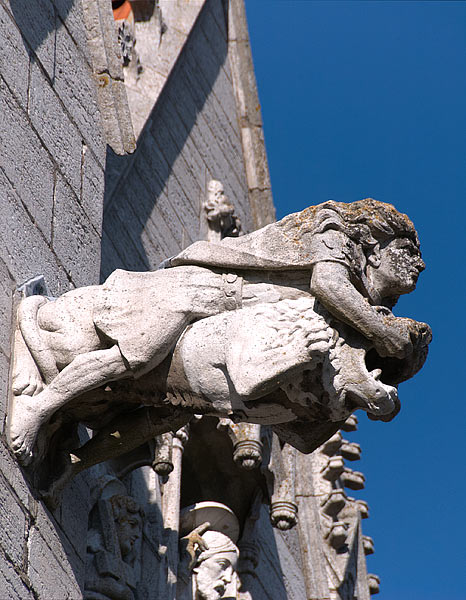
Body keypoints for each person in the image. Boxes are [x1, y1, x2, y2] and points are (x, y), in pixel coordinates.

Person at [9, 198, 426, 466]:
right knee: (139, 353)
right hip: (208, 293)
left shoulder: (358, 316)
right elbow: (327, 285)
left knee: (170, 413)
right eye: (409, 251)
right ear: (377, 240)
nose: (418, 266)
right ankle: (38, 407)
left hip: (223, 323)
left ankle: (77, 462)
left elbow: (303, 432)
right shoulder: (334, 229)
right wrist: (383, 331)